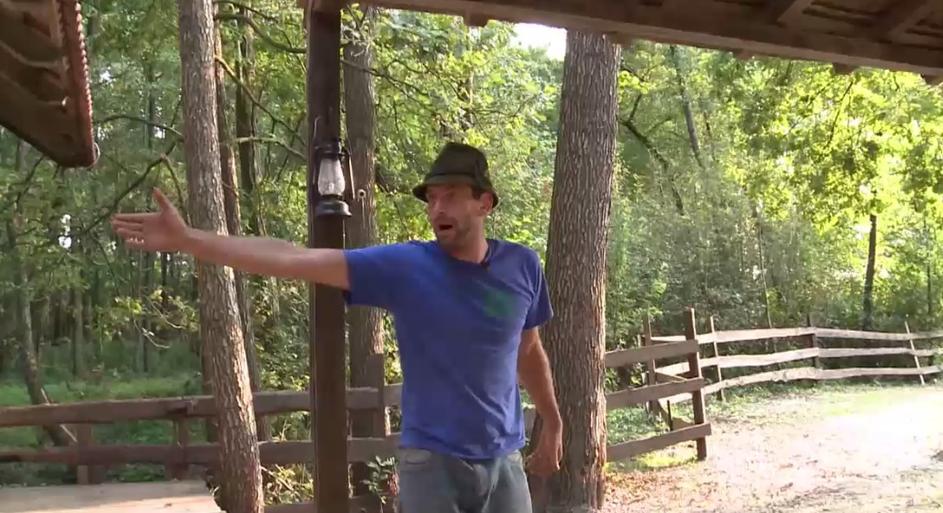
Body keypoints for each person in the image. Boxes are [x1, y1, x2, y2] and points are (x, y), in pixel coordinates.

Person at [111, 142, 563, 513]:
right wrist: (190, 240)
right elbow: (293, 258)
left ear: (484, 202)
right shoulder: (408, 267)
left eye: (450, 195)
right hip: (432, 463)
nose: (436, 208)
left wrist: (553, 421)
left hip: (505, 460)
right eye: (431, 198)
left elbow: (528, 349)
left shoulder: (522, 267)